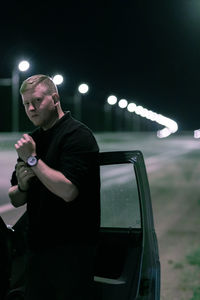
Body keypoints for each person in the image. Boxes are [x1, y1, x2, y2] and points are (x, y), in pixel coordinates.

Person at [8, 74, 100, 300]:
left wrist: (32, 160)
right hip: (37, 251)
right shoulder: (32, 140)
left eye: (37, 101)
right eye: (26, 104)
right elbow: (15, 198)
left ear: (55, 98)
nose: (31, 108)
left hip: (72, 252)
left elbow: (68, 191)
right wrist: (22, 185)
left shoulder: (77, 135)